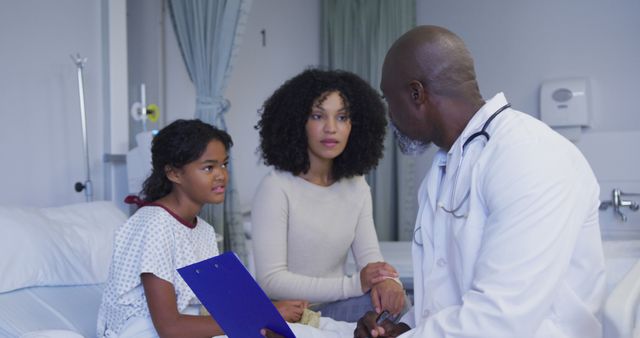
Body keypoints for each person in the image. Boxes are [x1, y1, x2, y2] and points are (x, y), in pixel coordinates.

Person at [354, 25, 606, 338]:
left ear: (416, 94)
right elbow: (445, 295)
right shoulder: (443, 170)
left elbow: (500, 320)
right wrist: (400, 326)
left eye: (389, 100)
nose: (390, 116)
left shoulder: (529, 156)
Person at [96, 119, 307, 338]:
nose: (221, 175)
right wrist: (265, 316)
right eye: (208, 167)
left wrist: (268, 317)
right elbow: (170, 328)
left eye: (224, 164)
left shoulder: (204, 231)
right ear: (174, 173)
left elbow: (217, 309)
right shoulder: (154, 225)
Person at [252, 68, 407, 323]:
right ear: (297, 123)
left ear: (354, 126)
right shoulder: (276, 187)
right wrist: (353, 285)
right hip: (294, 313)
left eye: (342, 117)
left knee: (397, 303)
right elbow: (271, 281)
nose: (331, 128)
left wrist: (390, 282)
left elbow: (370, 258)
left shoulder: (356, 185)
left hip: (338, 305)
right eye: (318, 116)